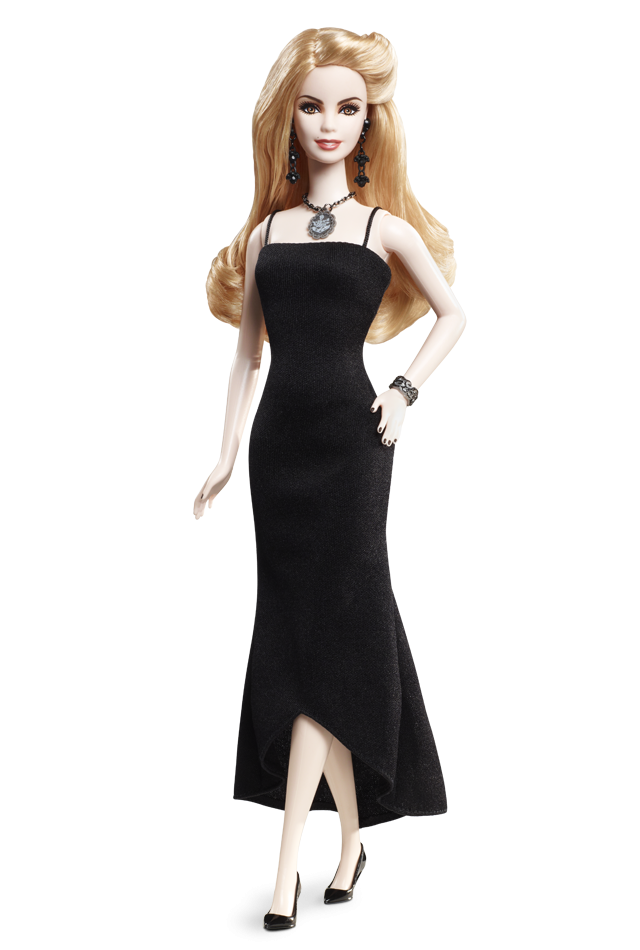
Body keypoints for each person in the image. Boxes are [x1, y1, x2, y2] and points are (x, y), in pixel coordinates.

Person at [195, 29, 466, 930]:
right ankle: (349, 844)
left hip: (354, 443)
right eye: (313, 105)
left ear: (368, 123)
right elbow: (246, 358)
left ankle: (282, 878)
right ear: (290, 117)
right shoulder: (265, 234)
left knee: (326, 644)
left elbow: (452, 314)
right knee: (301, 641)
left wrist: (406, 386)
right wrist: (225, 457)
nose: (329, 123)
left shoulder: (384, 229)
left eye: (348, 108)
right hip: (281, 452)